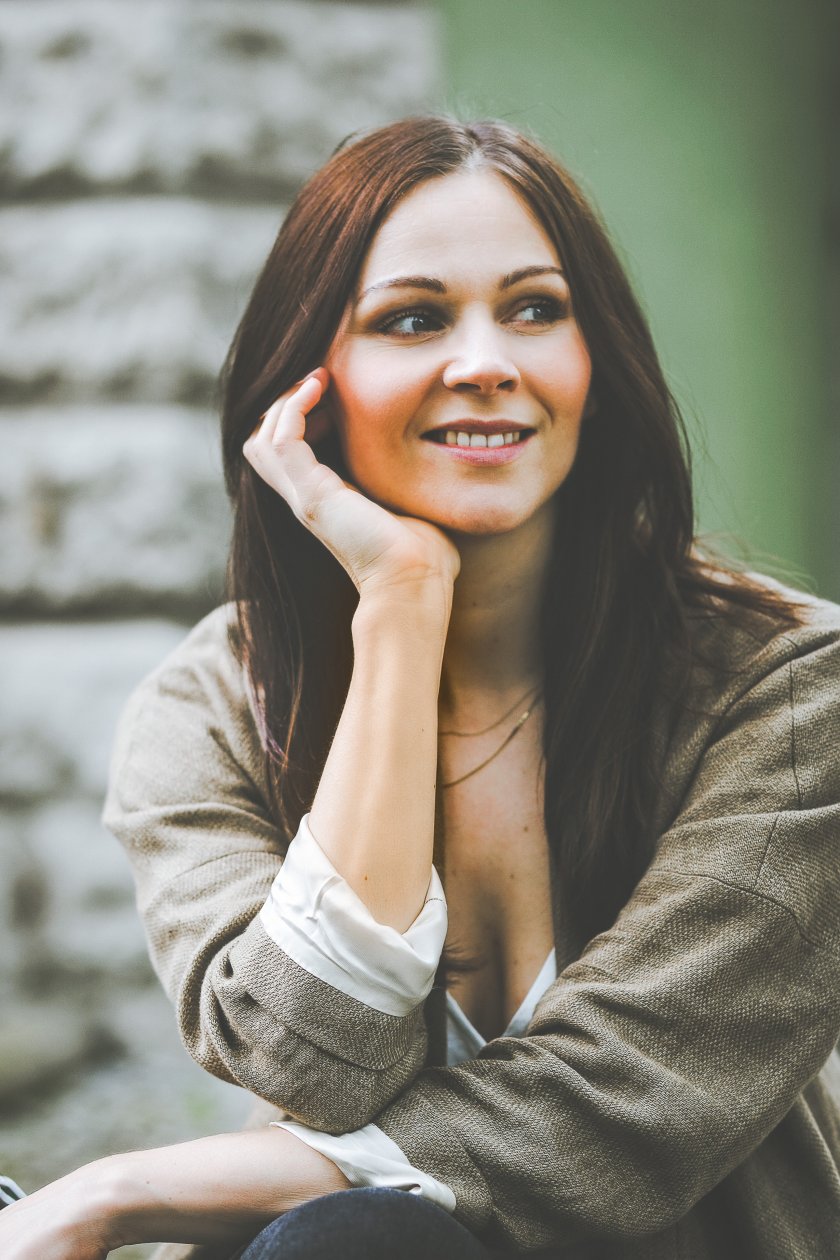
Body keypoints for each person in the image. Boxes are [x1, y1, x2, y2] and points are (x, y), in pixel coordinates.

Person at [1, 115, 839, 1260]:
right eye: (413, 317)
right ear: (310, 384)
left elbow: (620, 1112)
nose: (487, 358)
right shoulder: (208, 712)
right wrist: (400, 604)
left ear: (599, 364)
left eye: (537, 308)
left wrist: (120, 1191)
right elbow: (307, 1059)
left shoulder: (788, 692)